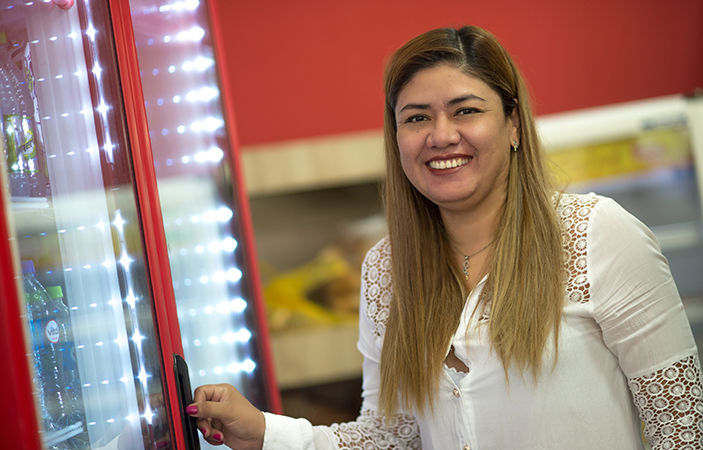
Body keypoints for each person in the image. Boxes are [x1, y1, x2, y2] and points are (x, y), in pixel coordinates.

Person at [185, 25, 703, 449]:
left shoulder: (597, 234)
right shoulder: (385, 270)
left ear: (514, 123)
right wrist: (265, 432)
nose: (441, 134)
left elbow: (682, 428)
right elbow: (393, 437)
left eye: (466, 110)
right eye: (416, 118)